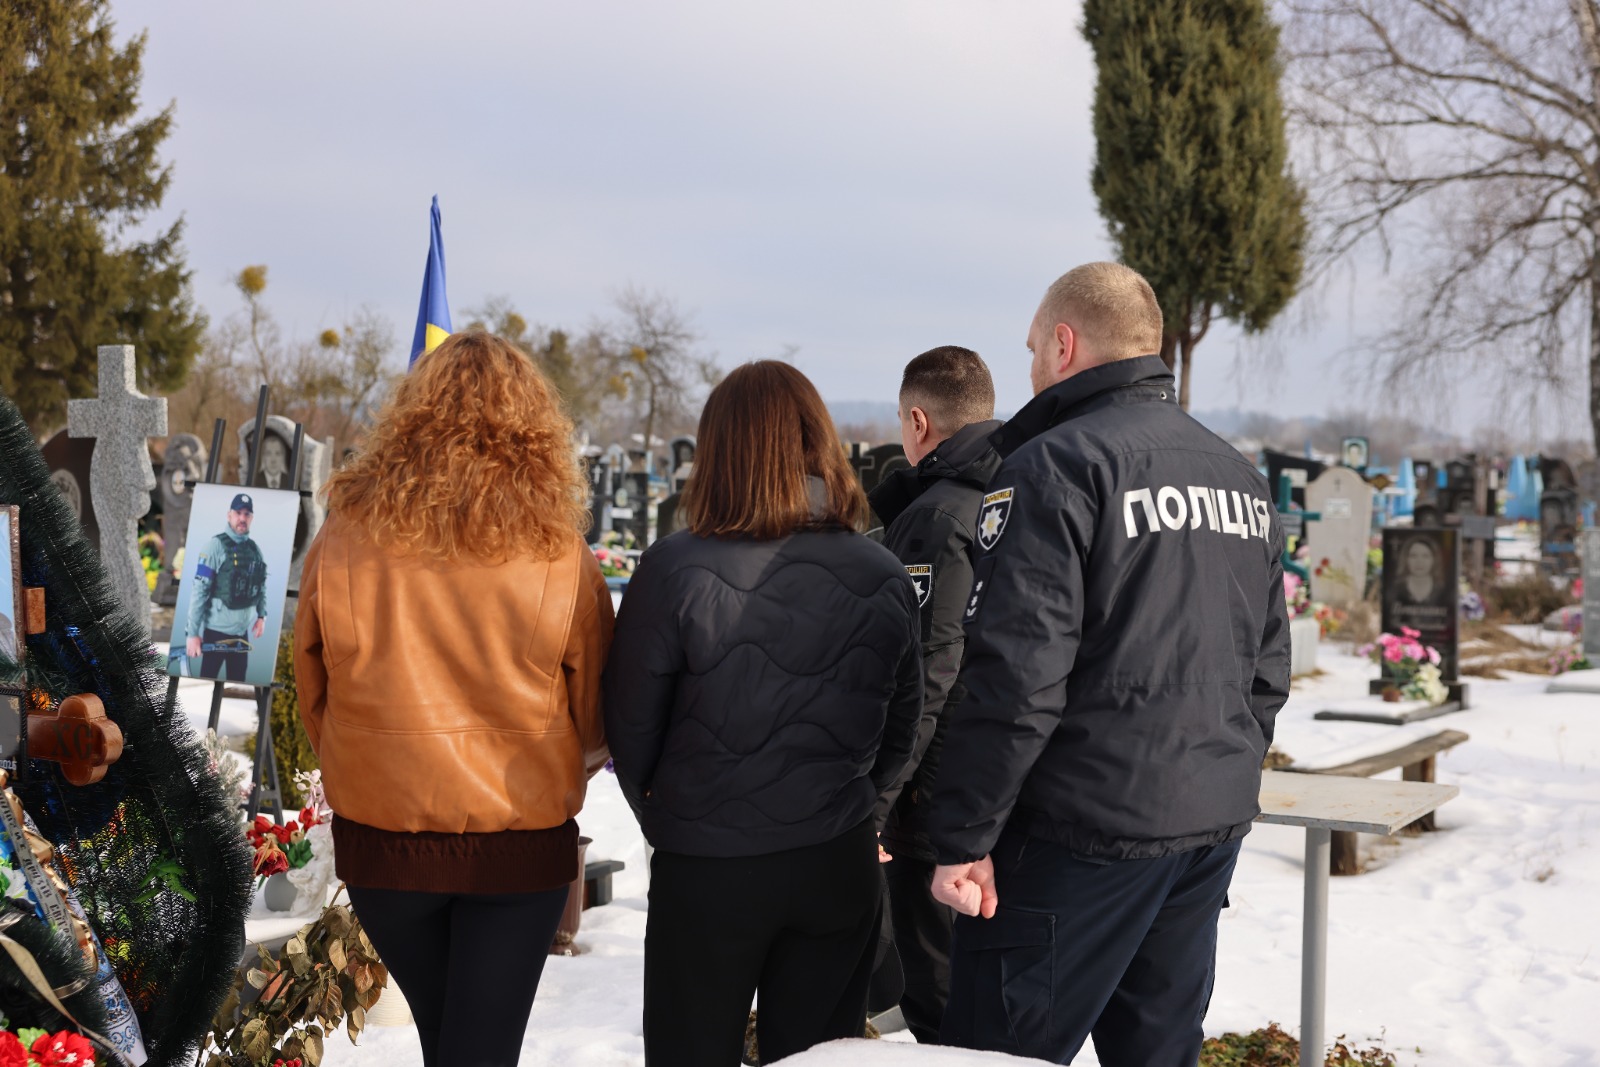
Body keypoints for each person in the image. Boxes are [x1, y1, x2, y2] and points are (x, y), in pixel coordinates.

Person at [927, 263, 1291, 1066]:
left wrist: (964, 834)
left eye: (1032, 349)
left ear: (1064, 344)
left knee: (999, 1052)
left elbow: (1017, 678)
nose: (1030, 368)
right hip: (1203, 826)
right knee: (1158, 1051)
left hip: (1077, 834)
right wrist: (1218, 770)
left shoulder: (1055, 465)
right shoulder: (1238, 474)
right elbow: (1267, 669)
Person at [293, 331, 613, 1067]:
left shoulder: (344, 537)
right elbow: (596, 710)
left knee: (451, 1043)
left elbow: (315, 691)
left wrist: (366, 765)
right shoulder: (558, 549)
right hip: (518, 843)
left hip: (384, 844)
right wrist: (567, 764)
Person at [604, 360, 923, 1067]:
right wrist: (856, 806)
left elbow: (630, 727)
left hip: (710, 863)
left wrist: (670, 814)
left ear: (719, 450)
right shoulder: (883, 571)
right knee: (814, 1057)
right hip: (833, 856)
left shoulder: (673, 568)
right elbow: (903, 726)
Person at [866, 345, 1001, 1044]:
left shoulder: (939, 517)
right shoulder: (1018, 492)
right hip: (996, 784)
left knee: (941, 1003)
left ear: (918, 421)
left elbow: (926, 670)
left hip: (935, 797)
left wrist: (879, 799)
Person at [183, 492, 268, 681]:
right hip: (216, 632)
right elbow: (199, 591)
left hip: (241, 634)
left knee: (236, 687)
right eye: (238, 513)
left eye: (247, 514)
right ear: (229, 515)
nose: (242, 518)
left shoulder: (255, 550)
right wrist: (192, 634)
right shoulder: (214, 547)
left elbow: (260, 585)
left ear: (251, 518)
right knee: (206, 687)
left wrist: (262, 616)